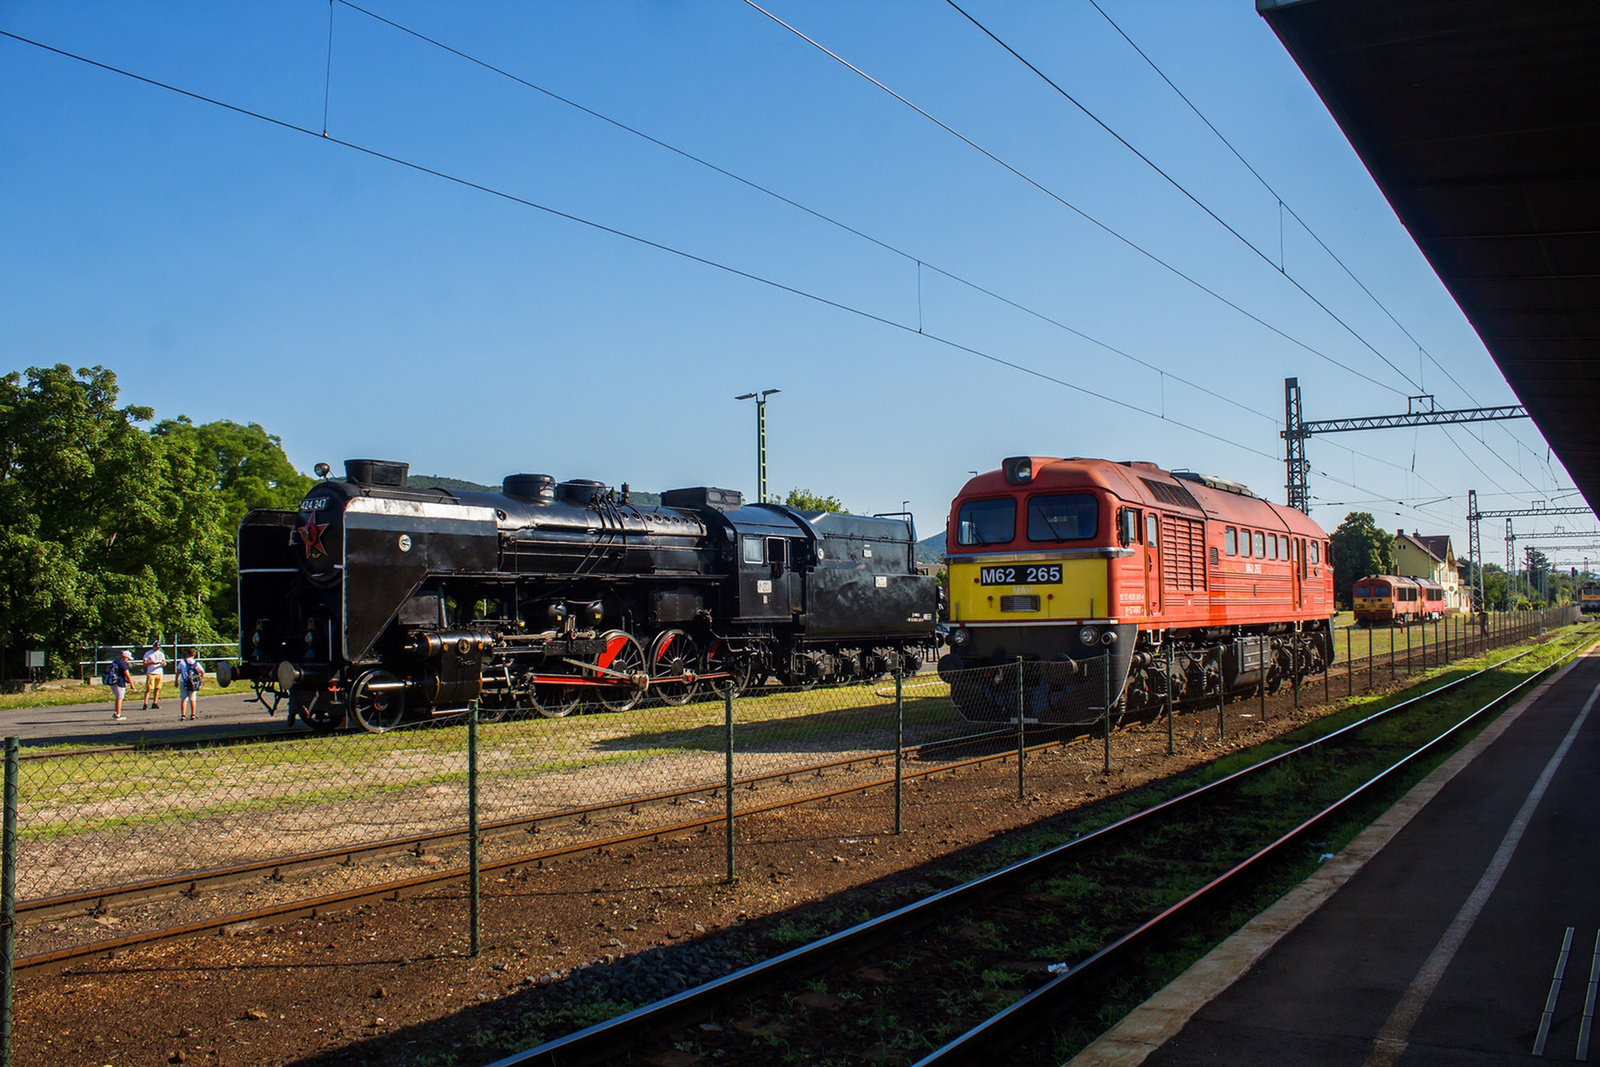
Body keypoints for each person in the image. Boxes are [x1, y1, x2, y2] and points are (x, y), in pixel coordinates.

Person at [177, 649, 205, 721]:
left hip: (184, 682)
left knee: (184, 699)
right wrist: (199, 679)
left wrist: (176, 680)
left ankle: (183, 715)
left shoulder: (182, 662)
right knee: (192, 699)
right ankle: (193, 714)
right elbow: (202, 672)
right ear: (194, 654)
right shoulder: (196, 663)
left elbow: (178, 672)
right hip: (193, 682)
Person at [106, 649, 133, 720]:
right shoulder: (123, 664)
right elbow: (127, 674)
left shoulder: (115, 661)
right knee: (119, 698)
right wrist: (131, 684)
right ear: (125, 657)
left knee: (117, 698)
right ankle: (118, 714)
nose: (128, 660)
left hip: (113, 682)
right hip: (120, 682)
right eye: (128, 659)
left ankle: (116, 712)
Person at [141, 640, 166, 710]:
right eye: (156, 647)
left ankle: (155, 702)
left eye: (158, 647)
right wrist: (151, 663)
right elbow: (144, 663)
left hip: (159, 672)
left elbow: (164, 662)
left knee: (157, 688)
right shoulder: (148, 653)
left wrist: (162, 663)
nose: (157, 649)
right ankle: (145, 703)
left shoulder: (161, 654)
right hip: (151, 672)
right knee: (149, 689)